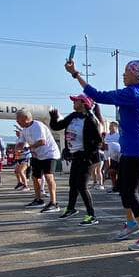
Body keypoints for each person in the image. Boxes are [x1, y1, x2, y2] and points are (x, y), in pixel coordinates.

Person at [70, 57, 139, 250]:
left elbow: (98, 95)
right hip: (132, 148)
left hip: (137, 150)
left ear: (136, 75)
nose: (123, 75)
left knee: (132, 192)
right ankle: (131, 224)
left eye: (126, 72)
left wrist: (76, 74)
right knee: (123, 189)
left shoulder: (133, 93)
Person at [50, 95, 103, 225]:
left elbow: (98, 142)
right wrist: (53, 117)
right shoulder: (73, 116)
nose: (74, 103)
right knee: (73, 184)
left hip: (86, 158)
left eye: (76, 101)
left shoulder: (90, 119)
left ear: (83, 103)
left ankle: (92, 215)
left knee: (82, 186)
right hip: (76, 156)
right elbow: (57, 127)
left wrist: (87, 155)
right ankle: (71, 209)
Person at [17, 109, 61, 212]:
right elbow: (21, 143)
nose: (17, 122)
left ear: (26, 119)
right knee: (35, 177)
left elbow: (42, 141)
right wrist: (18, 146)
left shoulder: (38, 126)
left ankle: (54, 203)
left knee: (48, 176)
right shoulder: (24, 130)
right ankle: (38, 199)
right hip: (37, 155)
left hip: (50, 153)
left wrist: (29, 148)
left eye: (18, 120)